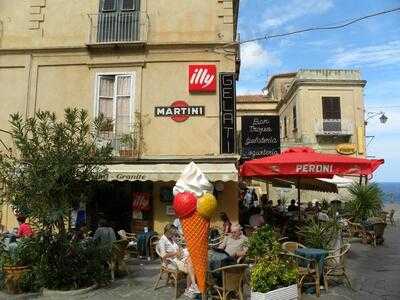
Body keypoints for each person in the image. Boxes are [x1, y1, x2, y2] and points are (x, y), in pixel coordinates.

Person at [158, 224, 199, 297]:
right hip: (171, 261)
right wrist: (176, 253)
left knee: (192, 258)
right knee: (191, 264)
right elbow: (163, 256)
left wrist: (181, 249)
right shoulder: (162, 241)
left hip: (179, 257)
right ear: (168, 231)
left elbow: (178, 247)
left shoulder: (171, 238)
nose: (174, 234)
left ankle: (192, 286)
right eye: (172, 232)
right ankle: (191, 287)